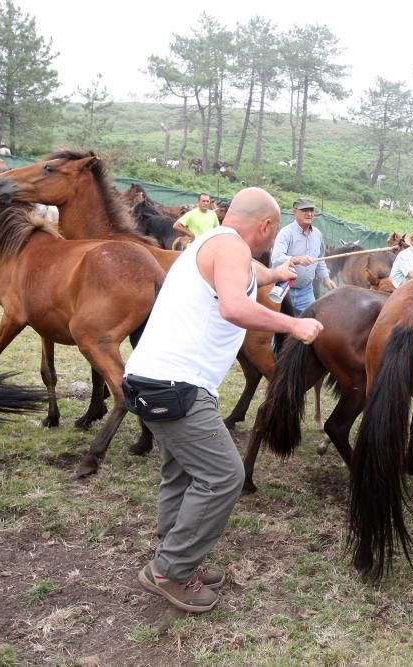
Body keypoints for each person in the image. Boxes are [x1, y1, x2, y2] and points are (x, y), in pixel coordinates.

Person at [125, 187, 323, 614]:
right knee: (223, 477)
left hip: (150, 379)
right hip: (176, 385)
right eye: (273, 236)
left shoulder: (214, 241)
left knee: (182, 472)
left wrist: (281, 271)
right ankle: (170, 571)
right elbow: (234, 307)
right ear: (267, 226)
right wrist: (293, 325)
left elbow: (255, 274)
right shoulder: (231, 250)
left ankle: (176, 555)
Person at [270, 197, 337, 314]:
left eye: (311, 210)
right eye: (305, 210)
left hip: (306, 291)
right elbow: (276, 259)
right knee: (279, 326)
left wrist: (326, 279)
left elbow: (320, 260)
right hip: (284, 289)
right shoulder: (286, 233)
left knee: (309, 322)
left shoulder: (317, 235)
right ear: (295, 211)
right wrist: (296, 259)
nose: (309, 214)